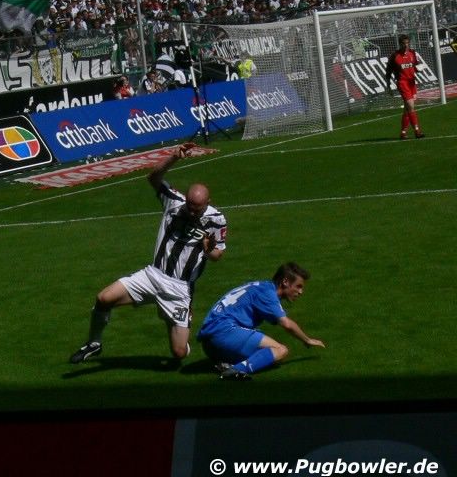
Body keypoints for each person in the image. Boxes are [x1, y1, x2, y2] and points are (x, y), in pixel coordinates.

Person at [70, 142, 227, 363]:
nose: (192, 212)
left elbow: (217, 256)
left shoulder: (217, 220)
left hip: (180, 290)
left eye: (197, 209)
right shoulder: (174, 203)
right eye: (190, 206)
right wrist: (174, 157)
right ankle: (94, 343)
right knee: (104, 298)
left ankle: (175, 320)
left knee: (179, 353)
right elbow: (153, 178)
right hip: (153, 276)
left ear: (208, 203)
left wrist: (209, 250)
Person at [197, 262, 325, 380]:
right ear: (285, 281)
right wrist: (307, 340)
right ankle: (235, 371)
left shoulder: (259, 286)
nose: (300, 292)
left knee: (262, 355)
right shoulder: (268, 293)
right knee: (280, 350)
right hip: (225, 334)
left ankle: (226, 364)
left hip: (209, 343)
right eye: (298, 286)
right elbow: (286, 324)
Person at [385, 34, 425, 140]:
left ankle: (403, 133)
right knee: (411, 106)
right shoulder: (395, 56)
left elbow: (415, 65)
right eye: (404, 43)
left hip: (412, 82)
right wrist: (388, 85)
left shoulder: (412, 53)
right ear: (400, 44)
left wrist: (419, 68)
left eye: (407, 43)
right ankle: (417, 131)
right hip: (402, 83)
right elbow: (388, 71)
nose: (406, 45)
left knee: (407, 109)